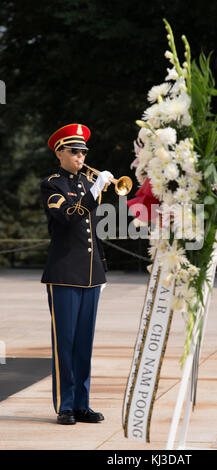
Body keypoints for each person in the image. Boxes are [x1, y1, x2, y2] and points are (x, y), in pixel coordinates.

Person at [40, 123, 113, 425]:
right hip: (64, 273)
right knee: (65, 342)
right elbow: (68, 217)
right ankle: (66, 405)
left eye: (83, 151)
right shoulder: (52, 184)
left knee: (84, 342)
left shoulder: (85, 183)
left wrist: (102, 267)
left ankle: (82, 403)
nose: (81, 156)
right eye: (74, 151)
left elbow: (92, 234)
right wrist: (95, 193)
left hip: (90, 275)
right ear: (60, 153)